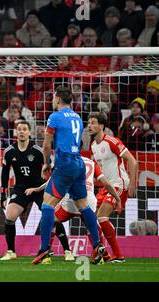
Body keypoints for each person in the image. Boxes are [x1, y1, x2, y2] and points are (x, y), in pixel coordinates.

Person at [31, 86, 105, 265]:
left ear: (57, 99)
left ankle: (44, 249)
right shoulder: (78, 117)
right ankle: (97, 245)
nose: (52, 100)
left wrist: (46, 164)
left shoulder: (54, 117)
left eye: (53, 97)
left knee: (47, 205)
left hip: (64, 164)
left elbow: (47, 145)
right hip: (78, 163)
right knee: (84, 206)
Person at [0, 121, 73, 262]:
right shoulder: (9, 152)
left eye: (24, 129)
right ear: (16, 132)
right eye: (19, 129)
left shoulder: (37, 151)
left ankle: (67, 251)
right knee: (9, 217)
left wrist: (51, 189)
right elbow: (4, 174)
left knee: (53, 218)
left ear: (29, 132)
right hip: (21, 189)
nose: (21, 131)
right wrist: (3, 194)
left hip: (40, 188)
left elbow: (51, 171)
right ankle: (11, 252)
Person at [26, 156, 122, 262]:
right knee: (91, 226)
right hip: (89, 200)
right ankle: (103, 255)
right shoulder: (91, 162)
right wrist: (117, 199)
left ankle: (46, 254)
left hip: (70, 202)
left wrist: (38, 189)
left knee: (51, 219)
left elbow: (53, 181)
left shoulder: (66, 160)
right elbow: (105, 183)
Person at [89, 112, 138, 263]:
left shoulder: (111, 141)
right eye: (89, 123)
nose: (90, 126)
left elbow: (132, 160)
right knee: (90, 218)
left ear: (101, 126)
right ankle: (103, 255)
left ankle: (119, 255)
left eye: (93, 123)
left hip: (119, 183)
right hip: (107, 186)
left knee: (102, 216)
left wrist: (133, 184)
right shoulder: (93, 146)